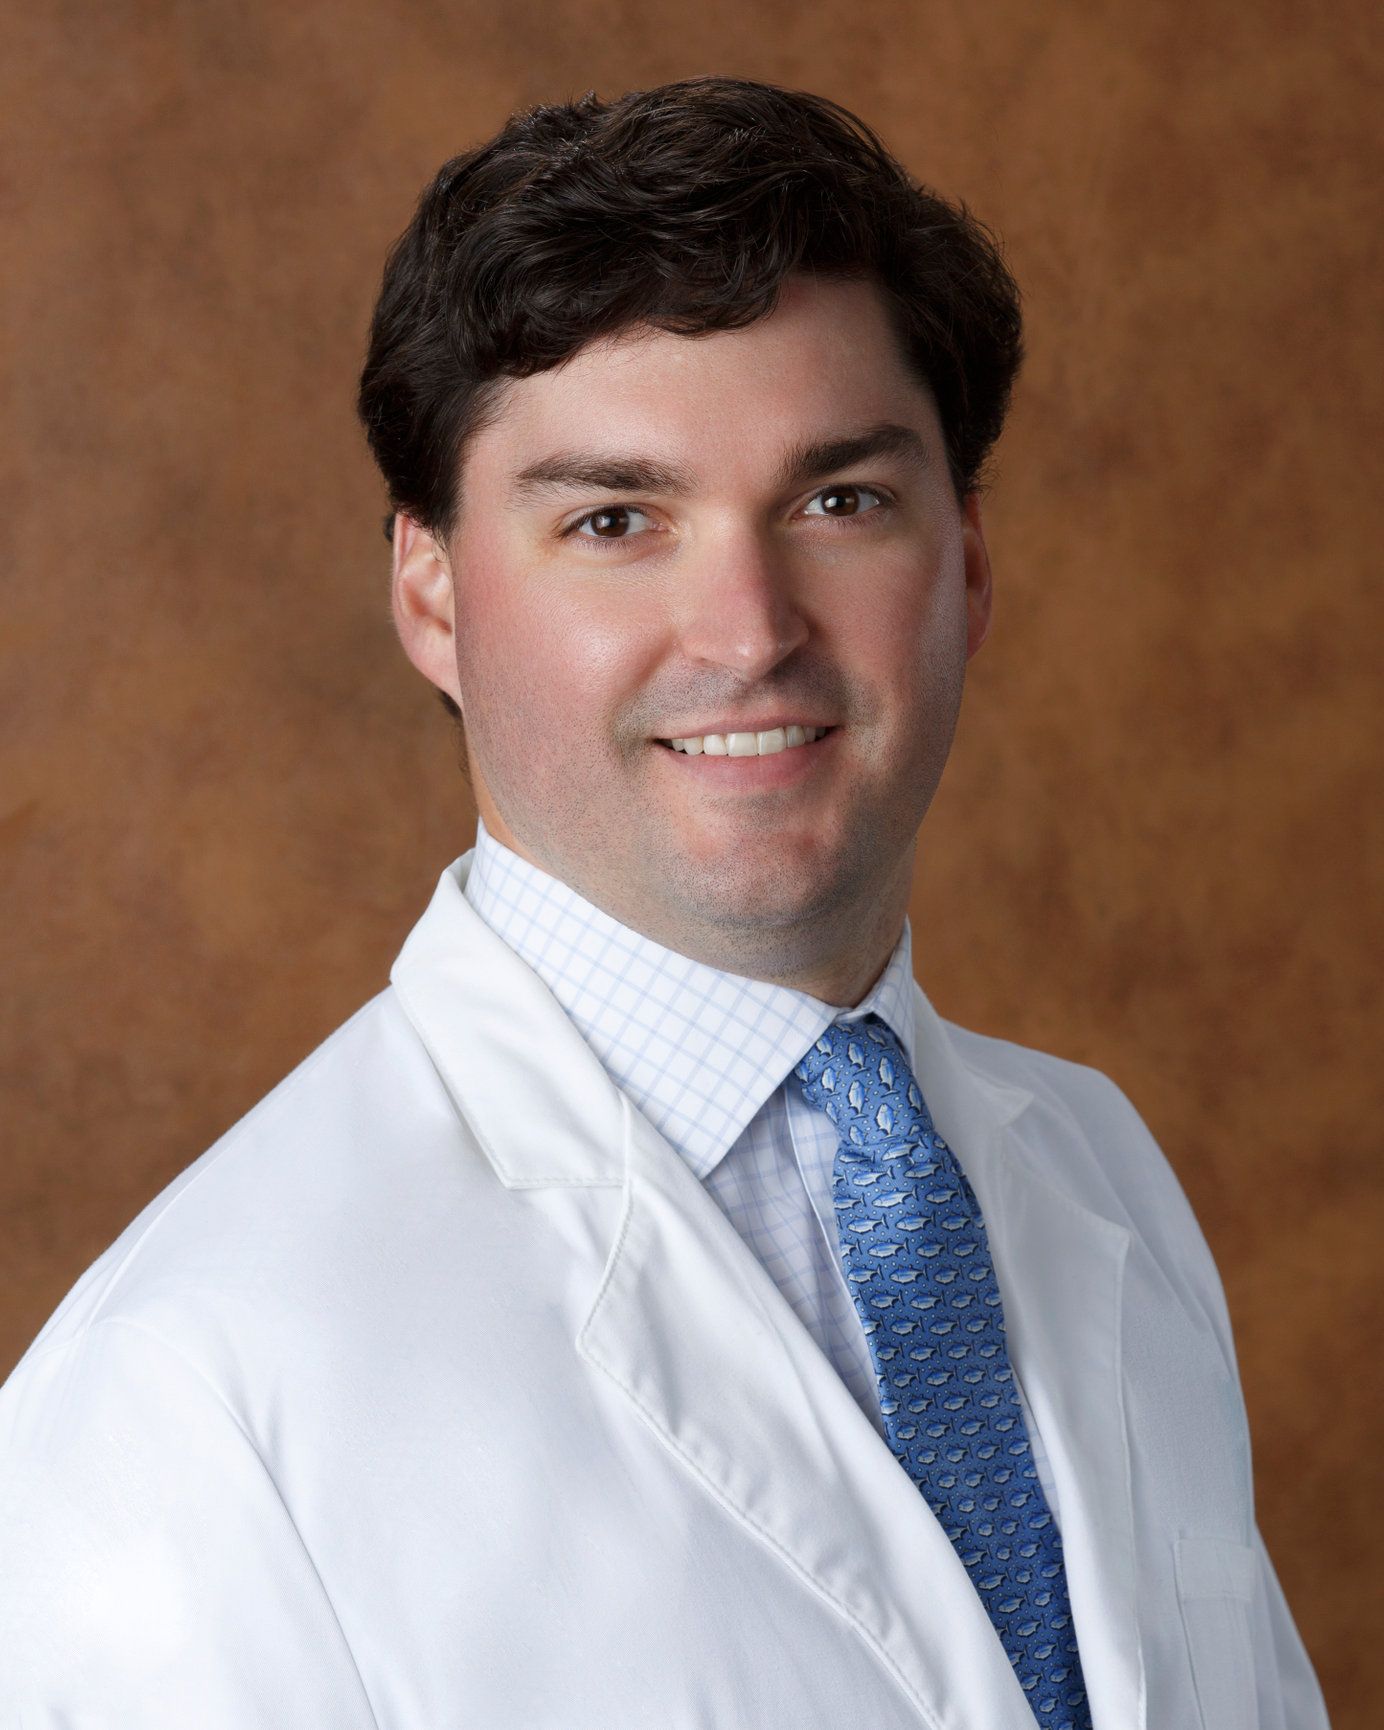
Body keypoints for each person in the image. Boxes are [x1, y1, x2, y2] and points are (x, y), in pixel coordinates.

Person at [0, 75, 1328, 1730]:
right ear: (430, 593)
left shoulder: (1099, 1172)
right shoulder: (188, 1395)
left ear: (966, 562)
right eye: (616, 520)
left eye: (839, 500)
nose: (748, 628)